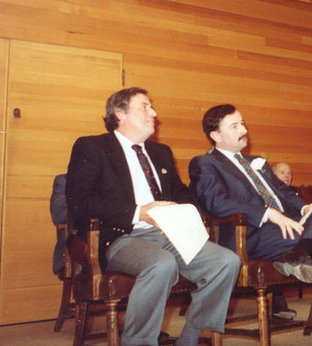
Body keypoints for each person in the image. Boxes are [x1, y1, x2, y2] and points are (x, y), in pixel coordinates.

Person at [65, 87, 240, 346]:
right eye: (144, 107)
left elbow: (181, 193)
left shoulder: (161, 152)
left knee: (226, 262)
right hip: (122, 236)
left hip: (169, 234)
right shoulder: (92, 147)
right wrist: (140, 212)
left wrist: (182, 214)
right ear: (120, 113)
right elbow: (81, 202)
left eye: (152, 107)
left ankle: (189, 340)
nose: (154, 113)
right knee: (161, 264)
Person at [189, 104, 312, 346]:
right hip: (252, 234)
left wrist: (306, 209)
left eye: (242, 123)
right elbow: (216, 202)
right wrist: (266, 213)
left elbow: (285, 193)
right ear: (215, 135)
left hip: (290, 225)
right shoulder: (205, 163)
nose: (243, 130)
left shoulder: (257, 162)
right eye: (234, 126)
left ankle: (299, 253)